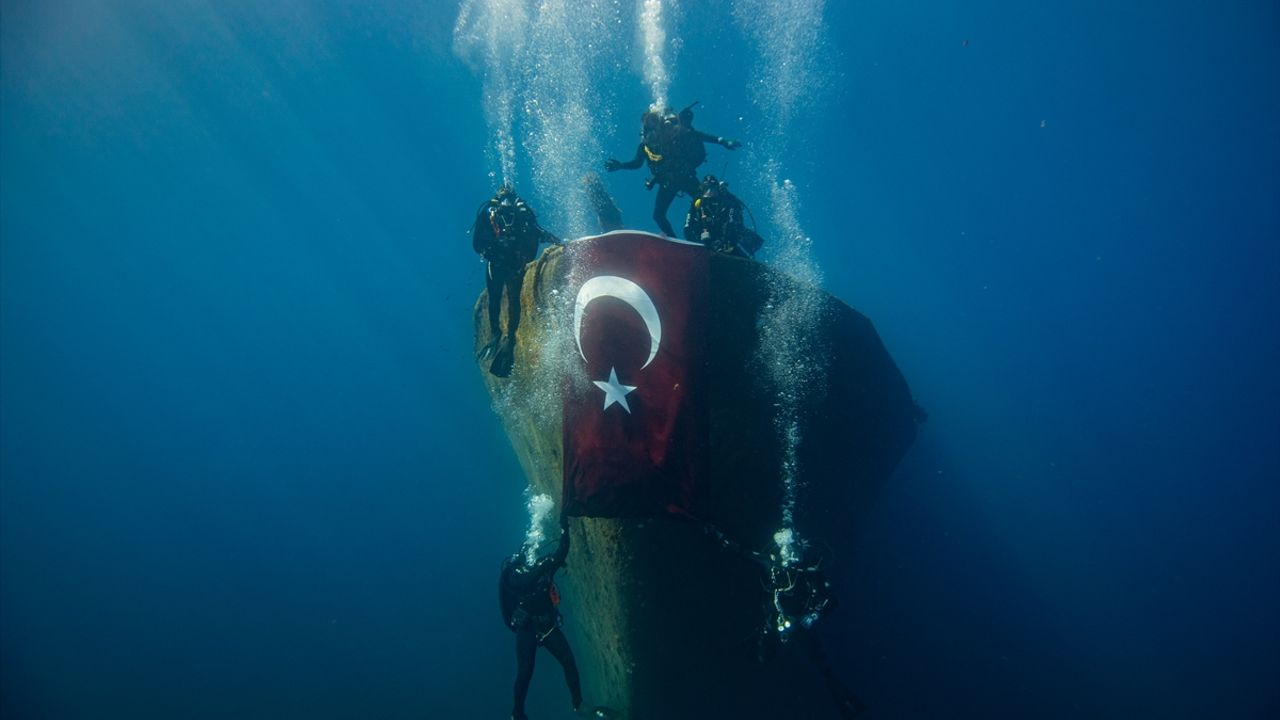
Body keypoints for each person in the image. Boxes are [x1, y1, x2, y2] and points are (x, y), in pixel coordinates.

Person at [703, 523, 866, 719]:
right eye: (782, 546)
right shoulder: (771, 563)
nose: (787, 552)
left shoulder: (809, 570)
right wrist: (719, 537)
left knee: (820, 662)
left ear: (798, 547)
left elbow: (832, 600)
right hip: (778, 619)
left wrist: (812, 616)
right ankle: (735, 666)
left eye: (790, 547)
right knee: (764, 654)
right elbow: (743, 552)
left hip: (800, 623)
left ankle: (842, 697)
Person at [604, 104, 741, 238]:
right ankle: (673, 242)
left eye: (654, 127)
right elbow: (637, 163)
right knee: (658, 216)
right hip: (667, 183)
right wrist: (620, 165)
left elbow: (699, 136)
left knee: (705, 204)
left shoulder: (674, 135)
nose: (651, 133)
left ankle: (719, 234)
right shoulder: (644, 146)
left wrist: (723, 141)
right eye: (648, 128)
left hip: (686, 178)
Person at [471, 184, 559, 377]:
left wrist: (491, 252)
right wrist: (559, 242)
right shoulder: (515, 212)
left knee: (500, 299)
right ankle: (505, 337)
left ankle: (502, 337)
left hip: (505, 263)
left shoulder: (502, 212)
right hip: (508, 263)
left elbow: (477, 244)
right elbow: (540, 233)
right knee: (510, 302)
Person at [500, 516, 582, 720]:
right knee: (525, 672)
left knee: (568, 661)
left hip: (546, 624)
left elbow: (561, 553)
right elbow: (523, 583)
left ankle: (578, 704)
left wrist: (565, 530)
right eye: (528, 551)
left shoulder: (543, 568)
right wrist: (544, 565)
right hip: (526, 627)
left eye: (533, 551)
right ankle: (517, 714)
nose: (532, 554)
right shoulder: (513, 572)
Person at [683, 175, 765, 258]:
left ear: (717, 189)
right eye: (706, 189)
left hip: (727, 244)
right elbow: (687, 229)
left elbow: (733, 227)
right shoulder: (697, 204)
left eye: (712, 189)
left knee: (732, 239)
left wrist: (723, 243)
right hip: (704, 245)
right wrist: (699, 245)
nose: (709, 192)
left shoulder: (728, 203)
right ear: (702, 190)